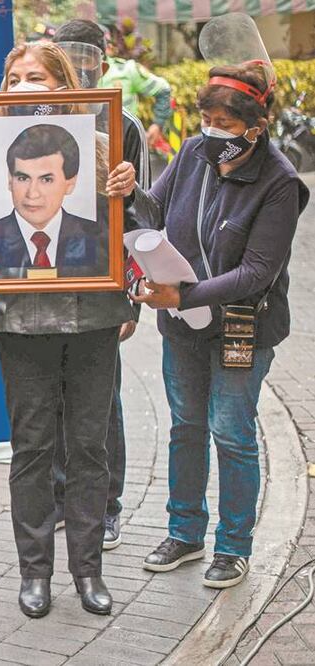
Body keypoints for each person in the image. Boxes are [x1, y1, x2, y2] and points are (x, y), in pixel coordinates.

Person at [0, 40, 139, 619]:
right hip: (21, 320)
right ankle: (35, 573)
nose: (26, 86)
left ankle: (88, 570)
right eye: (15, 76)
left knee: (89, 447)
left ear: (67, 86)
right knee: (32, 448)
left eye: (38, 77)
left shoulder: (103, 148)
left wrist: (131, 194)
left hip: (94, 318)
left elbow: (140, 229)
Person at [124, 59, 307, 588]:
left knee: (231, 432)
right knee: (186, 426)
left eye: (227, 125)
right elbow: (153, 209)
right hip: (181, 325)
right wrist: (129, 190)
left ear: (256, 124)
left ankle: (233, 545)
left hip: (242, 325)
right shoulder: (192, 154)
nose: (214, 133)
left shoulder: (281, 182)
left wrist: (184, 292)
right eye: (207, 119)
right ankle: (184, 533)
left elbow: (256, 273)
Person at [50, 18, 153, 550]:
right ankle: (64, 496)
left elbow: (142, 216)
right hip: (42, 280)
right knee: (54, 400)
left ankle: (105, 505)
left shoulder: (123, 125)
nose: (79, 71)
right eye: (69, 60)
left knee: (100, 400)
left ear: (104, 64)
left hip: (101, 282)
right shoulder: (32, 116)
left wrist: (133, 295)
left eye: (88, 60)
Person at [0, 124, 104, 272]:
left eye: (46, 180)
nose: (32, 194)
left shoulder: (94, 233)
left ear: (70, 183)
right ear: (9, 180)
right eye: (23, 178)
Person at [100, 23, 172, 149]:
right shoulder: (73, 74)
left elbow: (163, 89)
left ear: (110, 47)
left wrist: (157, 124)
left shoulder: (127, 70)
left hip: (126, 145)